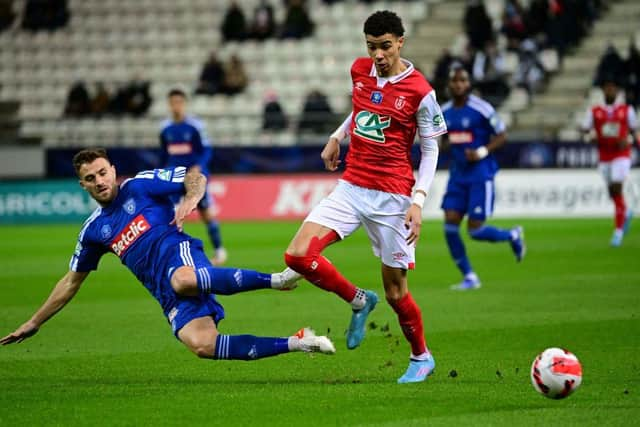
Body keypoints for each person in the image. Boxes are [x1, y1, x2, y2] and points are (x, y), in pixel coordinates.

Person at [1, 148, 336, 362]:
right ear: (82, 185)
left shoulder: (140, 186)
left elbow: (195, 177)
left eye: (103, 173)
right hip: (165, 291)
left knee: (183, 279)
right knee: (202, 344)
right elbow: (71, 282)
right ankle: (298, 343)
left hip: (181, 257)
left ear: (113, 170)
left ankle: (278, 279)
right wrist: (34, 322)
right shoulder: (93, 231)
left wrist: (191, 199)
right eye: (90, 178)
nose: (100, 181)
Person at [284, 11, 446, 384]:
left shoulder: (420, 91)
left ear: (400, 42)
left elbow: (432, 149)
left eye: (385, 46)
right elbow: (360, 109)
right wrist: (336, 136)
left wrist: (418, 201)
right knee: (297, 254)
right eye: (371, 46)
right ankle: (358, 300)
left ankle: (421, 357)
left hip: (393, 198)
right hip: (352, 186)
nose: (377, 55)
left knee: (395, 292)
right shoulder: (359, 70)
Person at [440, 66, 526, 291]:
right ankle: (469, 276)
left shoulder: (482, 108)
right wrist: (446, 144)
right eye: (454, 81)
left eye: (462, 80)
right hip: (457, 175)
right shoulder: (444, 111)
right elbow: (444, 140)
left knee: (475, 230)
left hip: (480, 174)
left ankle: (512, 234)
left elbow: (502, 135)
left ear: (468, 84)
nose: (458, 84)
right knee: (450, 226)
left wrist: (481, 152)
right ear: (449, 85)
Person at [159, 87, 227, 265]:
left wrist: (198, 167)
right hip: (174, 178)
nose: (176, 106)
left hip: (194, 176)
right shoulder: (165, 128)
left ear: (184, 104)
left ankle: (219, 251)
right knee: (172, 215)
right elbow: (164, 155)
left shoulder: (195, 126)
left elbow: (206, 151)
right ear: (169, 104)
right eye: (173, 103)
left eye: (179, 102)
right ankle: (173, 253)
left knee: (206, 214)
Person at [580, 77, 638, 247]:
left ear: (617, 91)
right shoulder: (595, 111)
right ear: (603, 91)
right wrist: (590, 137)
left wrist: (628, 140)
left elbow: (635, 132)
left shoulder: (627, 110)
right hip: (604, 156)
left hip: (621, 155)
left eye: (613, 88)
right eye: (607, 88)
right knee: (613, 193)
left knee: (616, 187)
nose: (610, 91)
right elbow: (584, 130)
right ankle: (625, 211)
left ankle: (618, 232)